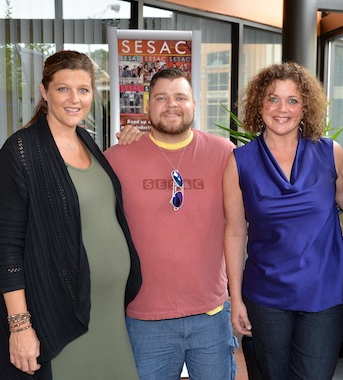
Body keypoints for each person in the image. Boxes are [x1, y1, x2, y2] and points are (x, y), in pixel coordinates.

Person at [0, 50, 144, 379]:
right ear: (44, 92)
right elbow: (8, 247)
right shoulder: (20, 152)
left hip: (109, 314)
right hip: (60, 315)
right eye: (63, 89)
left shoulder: (88, 142)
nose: (74, 99)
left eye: (84, 90)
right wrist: (20, 327)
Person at [104, 67, 238, 379]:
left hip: (211, 316)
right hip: (144, 318)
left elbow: (242, 223)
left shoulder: (224, 153)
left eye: (180, 97)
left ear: (194, 104)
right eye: (161, 98)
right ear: (148, 105)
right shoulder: (117, 158)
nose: (171, 104)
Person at [224, 62, 343, 379]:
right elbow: (236, 233)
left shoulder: (331, 153)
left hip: (324, 294)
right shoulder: (239, 162)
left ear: (305, 106)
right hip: (265, 297)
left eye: (293, 100)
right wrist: (235, 300)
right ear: (259, 104)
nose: (283, 109)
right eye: (273, 98)